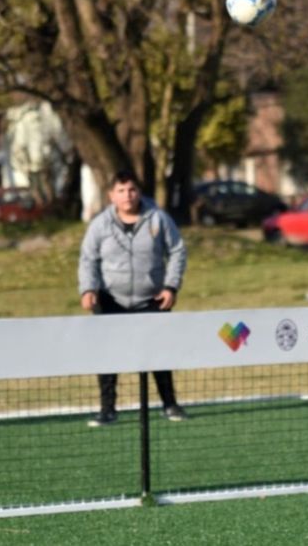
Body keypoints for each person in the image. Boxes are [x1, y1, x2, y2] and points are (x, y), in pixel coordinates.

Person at [78, 170, 189, 427]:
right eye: (121, 191)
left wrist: (171, 287)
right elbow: (88, 259)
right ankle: (107, 410)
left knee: (159, 354)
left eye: (132, 190)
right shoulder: (99, 225)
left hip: (152, 298)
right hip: (110, 300)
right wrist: (88, 289)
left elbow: (177, 251)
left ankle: (170, 404)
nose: (127, 196)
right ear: (111, 195)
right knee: (107, 356)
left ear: (139, 192)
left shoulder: (159, 219)